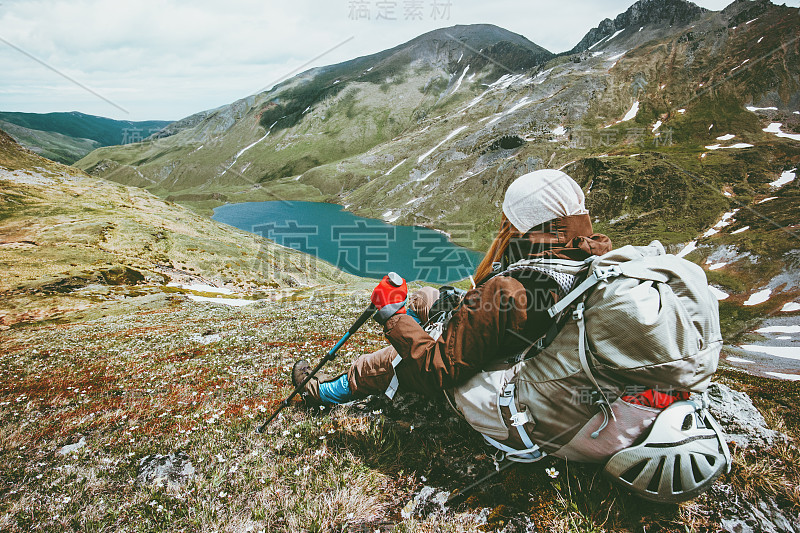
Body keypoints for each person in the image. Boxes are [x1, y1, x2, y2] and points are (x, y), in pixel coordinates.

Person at [291, 169, 613, 405]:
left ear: (527, 224)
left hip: (477, 364)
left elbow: (437, 369)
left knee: (377, 364)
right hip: (506, 339)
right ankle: (414, 332)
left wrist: (392, 314)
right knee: (426, 297)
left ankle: (322, 393)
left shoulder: (506, 290)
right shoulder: (582, 251)